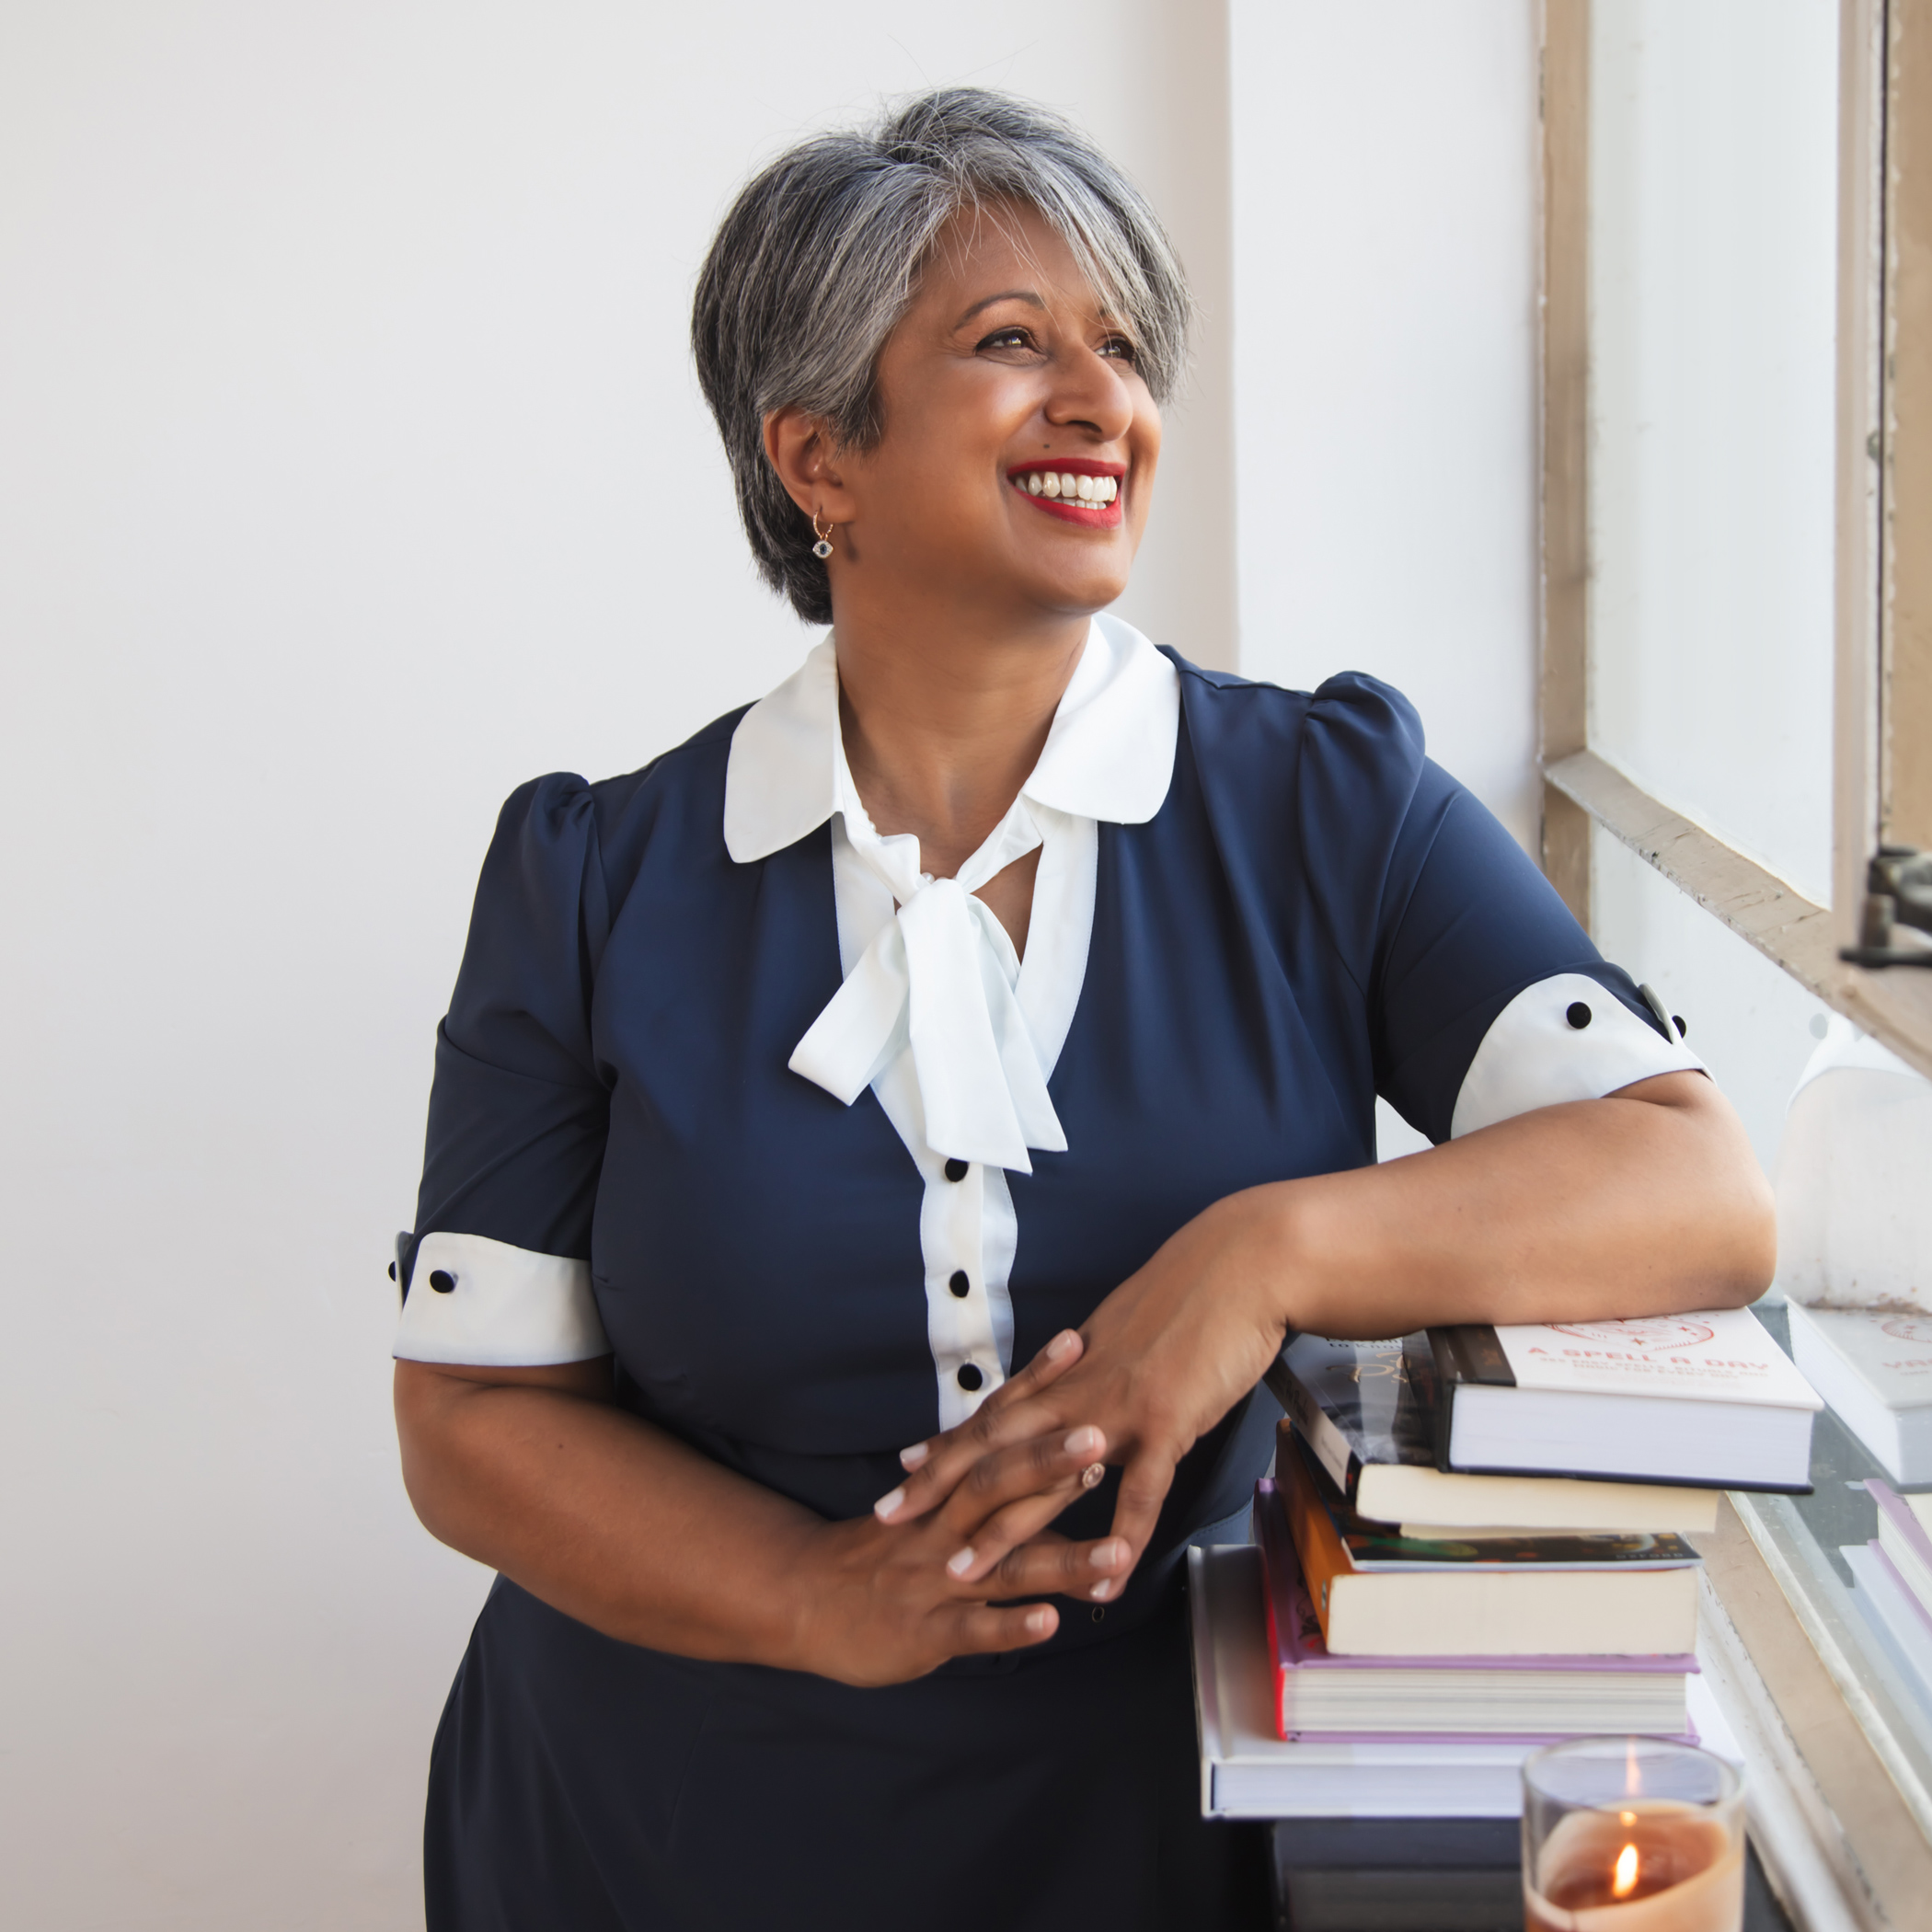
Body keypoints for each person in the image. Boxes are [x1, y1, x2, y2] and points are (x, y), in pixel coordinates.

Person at [391, 88, 1776, 1932]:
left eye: (1123, 347)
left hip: (1148, 1830)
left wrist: (1261, 1255)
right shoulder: (590, 877)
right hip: (654, 1832)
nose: (1099, 398)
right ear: (819, 460)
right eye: (1009, 343)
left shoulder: (1323, 806)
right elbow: (471, 1420)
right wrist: (815, 1596)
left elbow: (1697, 1194)